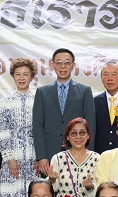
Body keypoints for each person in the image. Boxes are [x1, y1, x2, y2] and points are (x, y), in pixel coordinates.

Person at [33, 48, 96, 176]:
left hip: (78, 151)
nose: (63, 66)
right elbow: (37, 125)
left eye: (67, 63)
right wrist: (41, 156)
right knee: (50, 187)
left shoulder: (84, 91)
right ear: (52, 65)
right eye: (59, 63)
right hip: (49, 153)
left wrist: (88, 154)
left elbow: (90, 125)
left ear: (73, 65)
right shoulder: (42, 92)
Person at [0, 58, 39, 197]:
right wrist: (9, 159)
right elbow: (2, 133)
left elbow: (42, 131)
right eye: (18, 74)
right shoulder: (4, 102)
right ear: (13, 76)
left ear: (32, 76)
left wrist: (40, 157)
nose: (21, 78)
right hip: (12, 161)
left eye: (25, 74)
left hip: (34, 161)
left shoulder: (39, 100)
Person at [48, 118, 100, 197]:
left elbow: (100, 191)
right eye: (74, 133)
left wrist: (90, 187)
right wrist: (52, 180)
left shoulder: (96, 158)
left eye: (82, 133)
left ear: (88, 136)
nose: (78, 137)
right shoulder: (58, 158)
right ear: (67, 137)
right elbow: (51, 190)